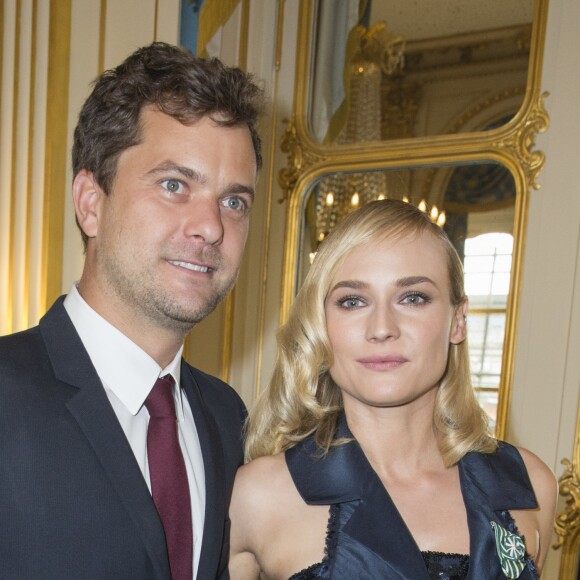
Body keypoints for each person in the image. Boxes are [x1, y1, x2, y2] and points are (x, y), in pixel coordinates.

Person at [0, 42, 264, 579]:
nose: (211, 226)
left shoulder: (227, 417)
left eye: (233, 201)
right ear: (91, 204)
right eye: (174, 185)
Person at [229, 199, 558, 579]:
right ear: (321, 323)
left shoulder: (530, 484)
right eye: (352, 301)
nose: (382, 327)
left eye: (413, 298)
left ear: (458, 321)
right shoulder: (258, 496)